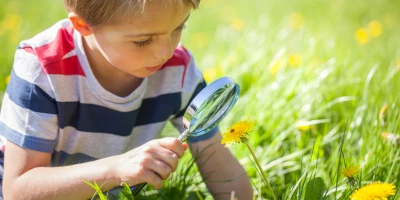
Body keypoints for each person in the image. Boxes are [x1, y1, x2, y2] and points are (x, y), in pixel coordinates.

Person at [0, 0, 253, 199]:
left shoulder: (178, 69)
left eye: (179, 28)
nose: (166, 52)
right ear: (84, 25)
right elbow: (18, 191)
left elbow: (219, 164)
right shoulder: (44, 68)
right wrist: (115, 169)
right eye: (142, 41)